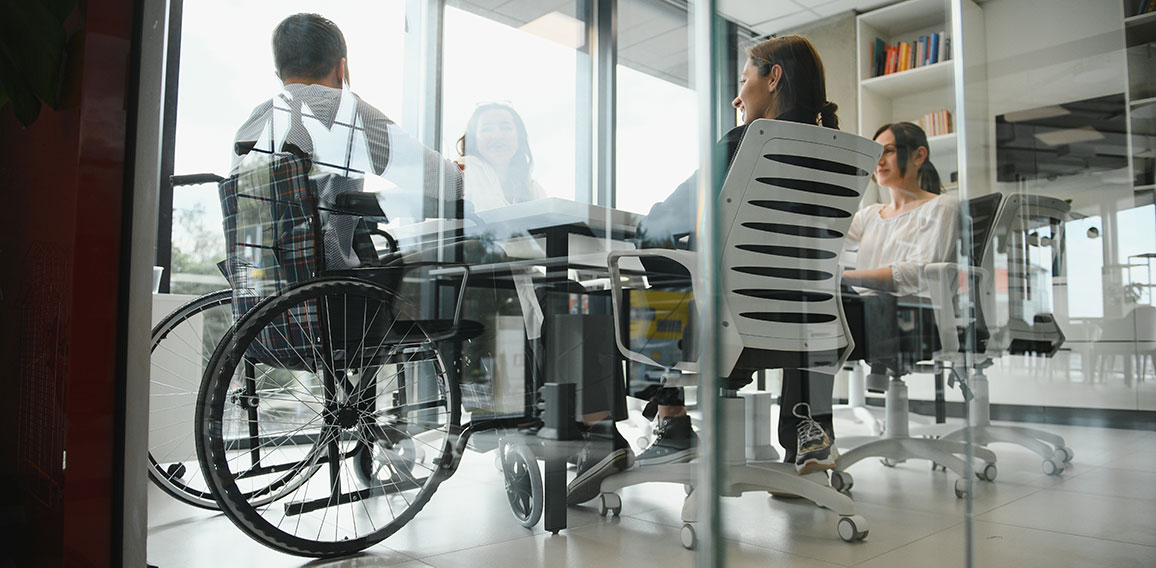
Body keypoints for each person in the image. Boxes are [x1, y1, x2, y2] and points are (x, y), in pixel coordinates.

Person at [567, 35, 843, 505]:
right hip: (802, 328)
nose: (738, 96)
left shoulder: (749, 143)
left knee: (589, 299)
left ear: (773, 78)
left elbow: (657, 226)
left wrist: (682, 285)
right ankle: (798, 431)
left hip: (725, 327)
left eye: (745, 79)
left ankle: (647, 426)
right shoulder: (837, 155)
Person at [231, 13, 463, 271]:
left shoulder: (253, 123)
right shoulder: (344, 112)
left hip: (258, 287)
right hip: (328, 288)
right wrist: (462, 171)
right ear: (341, 68)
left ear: (279, 74)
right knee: (423, 275)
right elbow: (446, 184)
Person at [457, 103, 546, 212]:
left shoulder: (532, 188)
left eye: (506, 128)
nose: (497, 135)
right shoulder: (462, 172)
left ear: (519, 137)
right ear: (474, 139)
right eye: (487, 129)